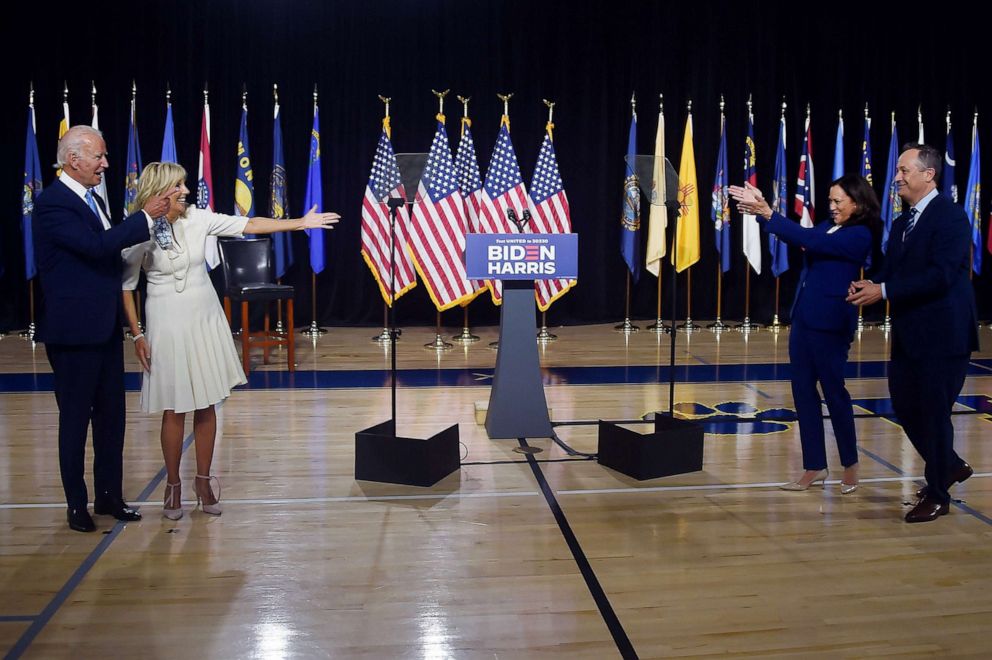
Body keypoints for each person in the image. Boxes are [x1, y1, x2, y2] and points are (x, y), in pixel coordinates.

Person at [121, 161, 339, 520]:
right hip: (165, 322)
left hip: (203, 316)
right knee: (174, 406)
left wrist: (301, 222)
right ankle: (173, 484)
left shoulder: (199, 219)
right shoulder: (139, 229)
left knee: (207, 402)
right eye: (179, 187)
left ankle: (203, 481)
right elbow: (127, 287)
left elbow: (249, 224)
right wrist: (138, 334)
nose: (186, 192)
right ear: (161, 191)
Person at [33, 125, 171, 532]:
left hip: (105, 328)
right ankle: (77, 505)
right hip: (74, 333)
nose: (106, 165)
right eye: (99, 157)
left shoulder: (92, 201)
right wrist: (144, 218)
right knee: (75, 420)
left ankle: (109, 496)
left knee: (112, 418)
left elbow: (109, 249)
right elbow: (96, 248)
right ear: (74, 160)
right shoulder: (53, 203)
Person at [847, 143, 979, 523]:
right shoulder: (905, 222)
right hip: (910, 334)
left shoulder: (951, 218)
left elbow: (940, 276)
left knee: (935, 413)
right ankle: (950, 465)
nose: (897, 177)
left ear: (928, 174)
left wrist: (883, 291)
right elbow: (894, 269)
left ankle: (937, 493)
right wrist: (872, 283)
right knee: (905, 408)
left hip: (944, 335)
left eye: (904, 170)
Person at [730, 174, 877, 494]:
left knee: (834, 393)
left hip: (832, 324)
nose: (832, 206)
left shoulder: (859, 235)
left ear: (858, 203)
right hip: (805, 320)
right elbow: (803, 236)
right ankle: (815, 466)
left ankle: (850, 463)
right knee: (803, 393)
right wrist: (763, 210)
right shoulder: (828, 225)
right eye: (830, 201)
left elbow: (815, 243)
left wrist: (769, 214)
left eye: (839, 201)